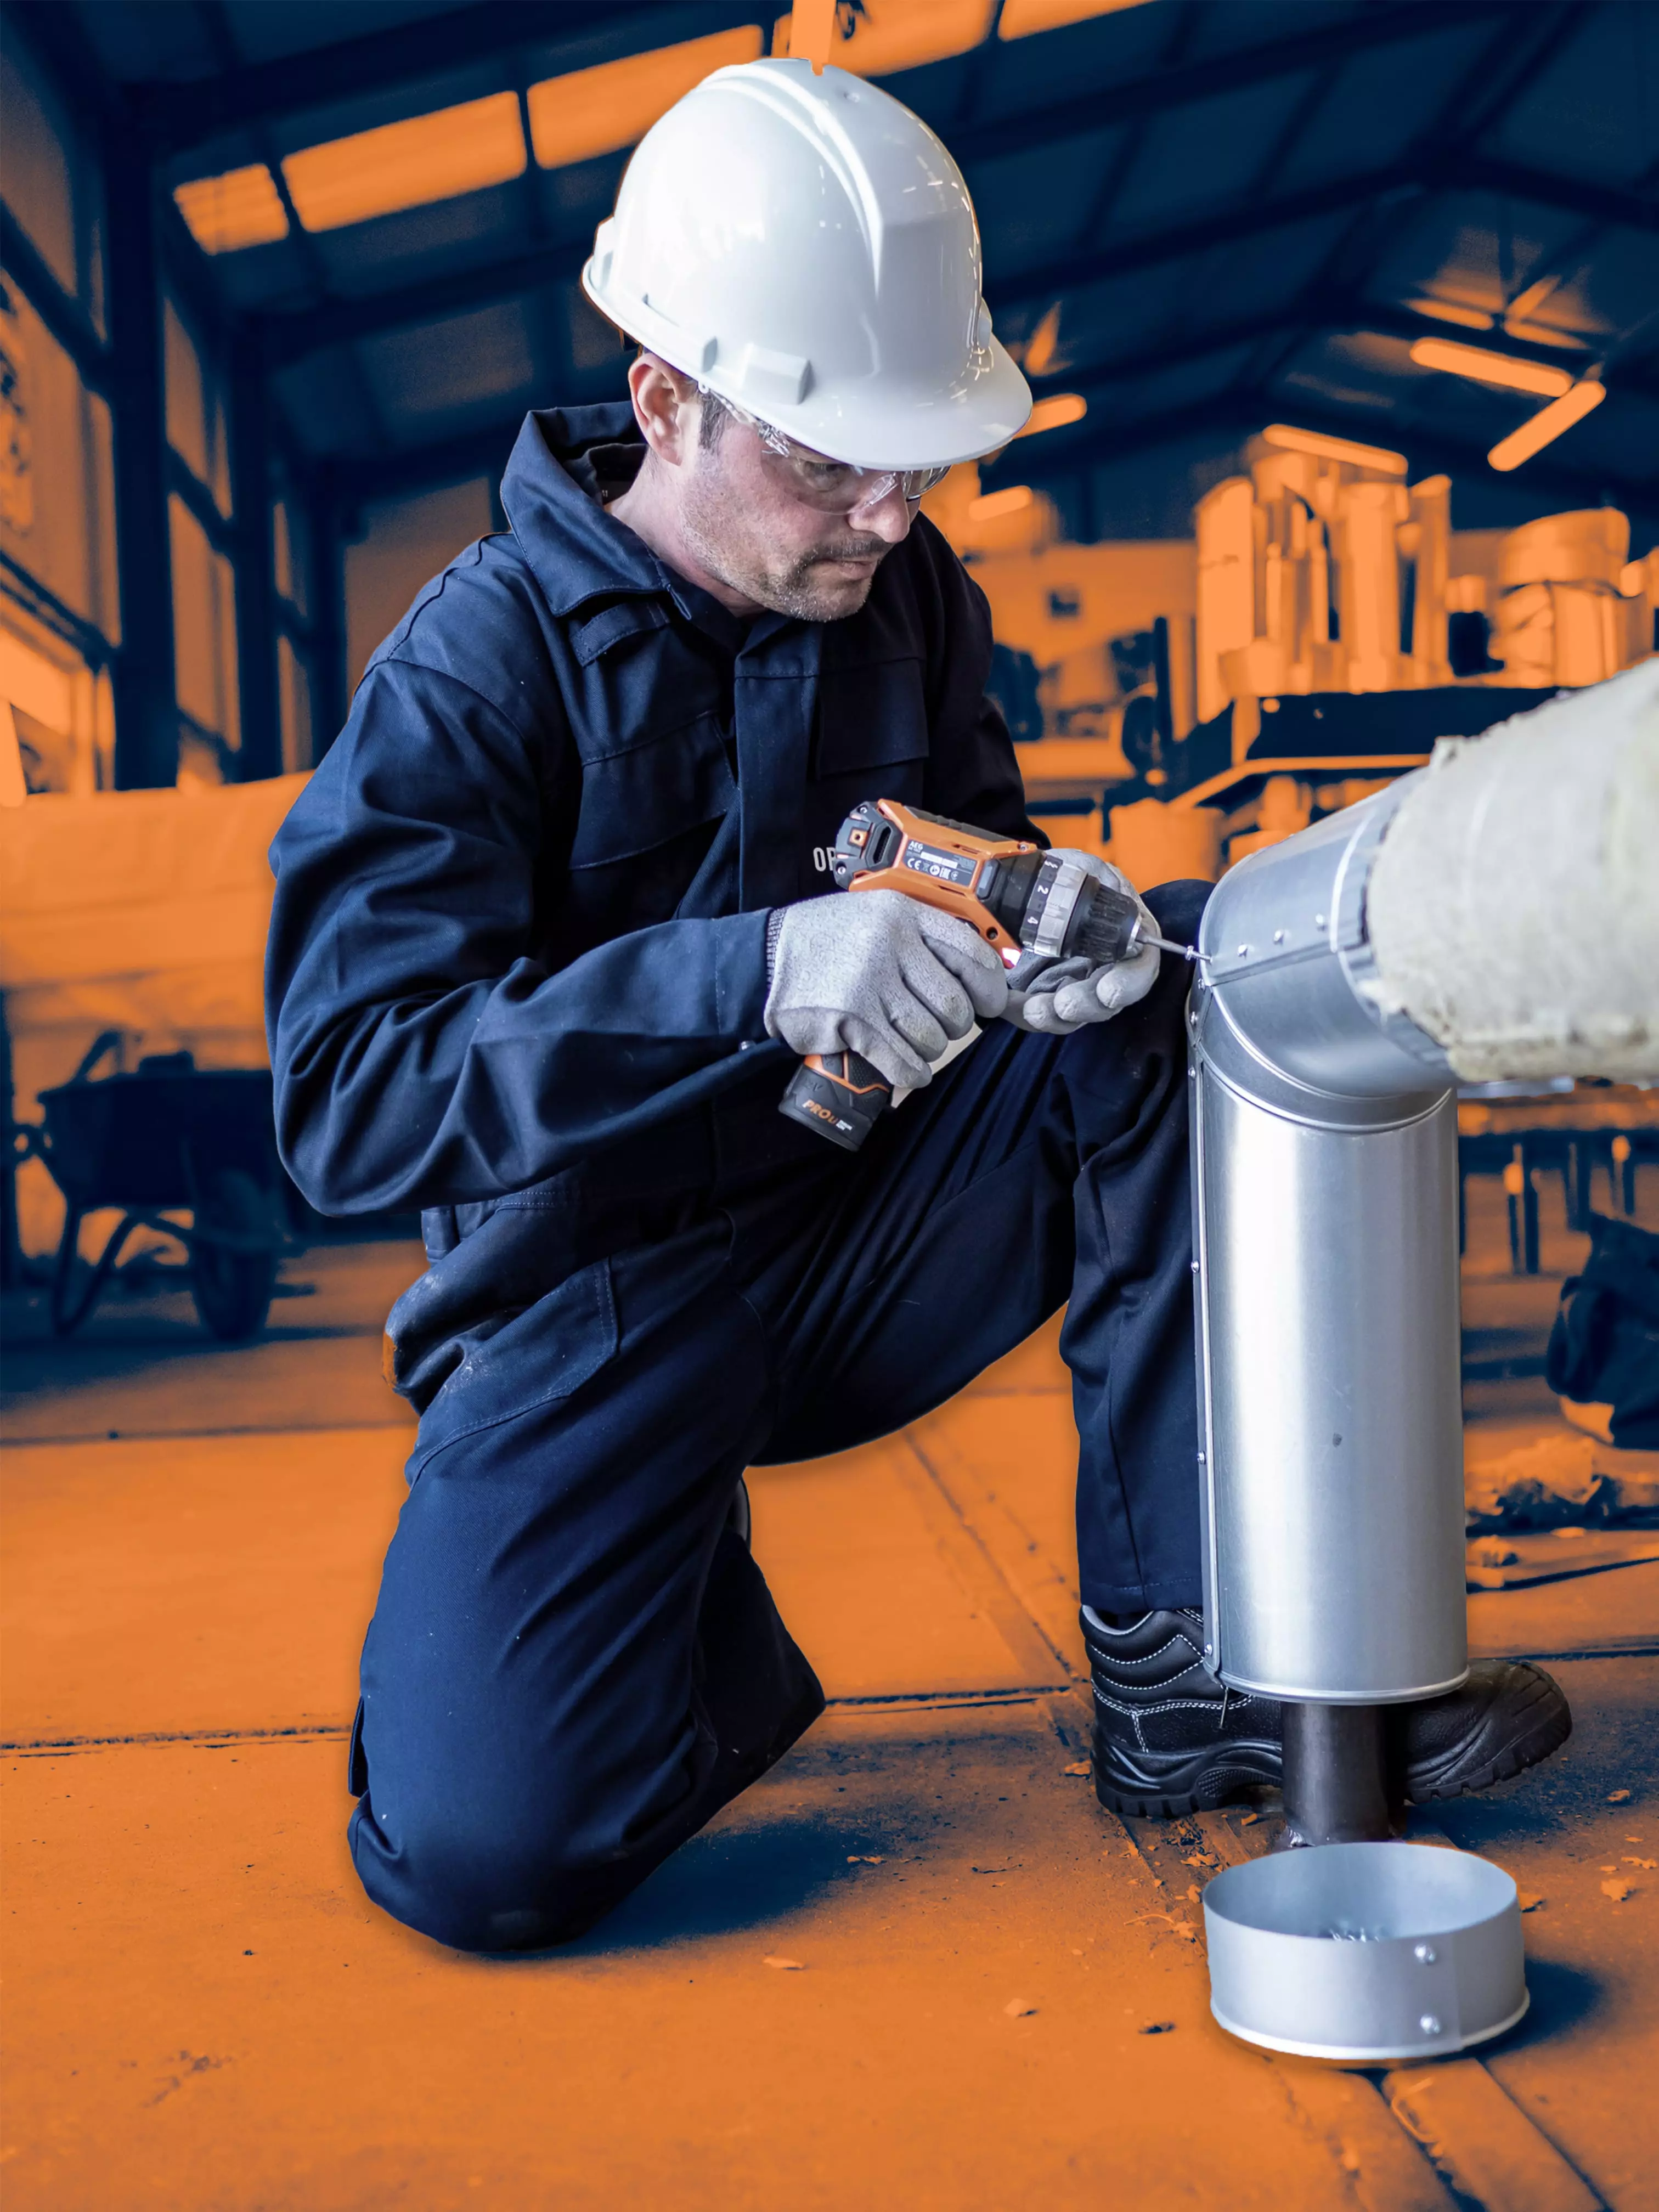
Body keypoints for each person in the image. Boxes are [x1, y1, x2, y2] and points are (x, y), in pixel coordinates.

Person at [267, 59, 1568, 1954]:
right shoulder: (474, 668)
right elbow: (344, 1098)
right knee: (489, 1861)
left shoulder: (903, 590)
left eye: (917, 462)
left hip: (861, 1224)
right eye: (827, 460)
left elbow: (980, 852)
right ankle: (641, 1577)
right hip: (588, 1297)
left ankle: (1197, 1660)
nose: (889, 513)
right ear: (666, 403)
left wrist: (1059, 923)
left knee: (1208, 991)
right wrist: (759, 968)